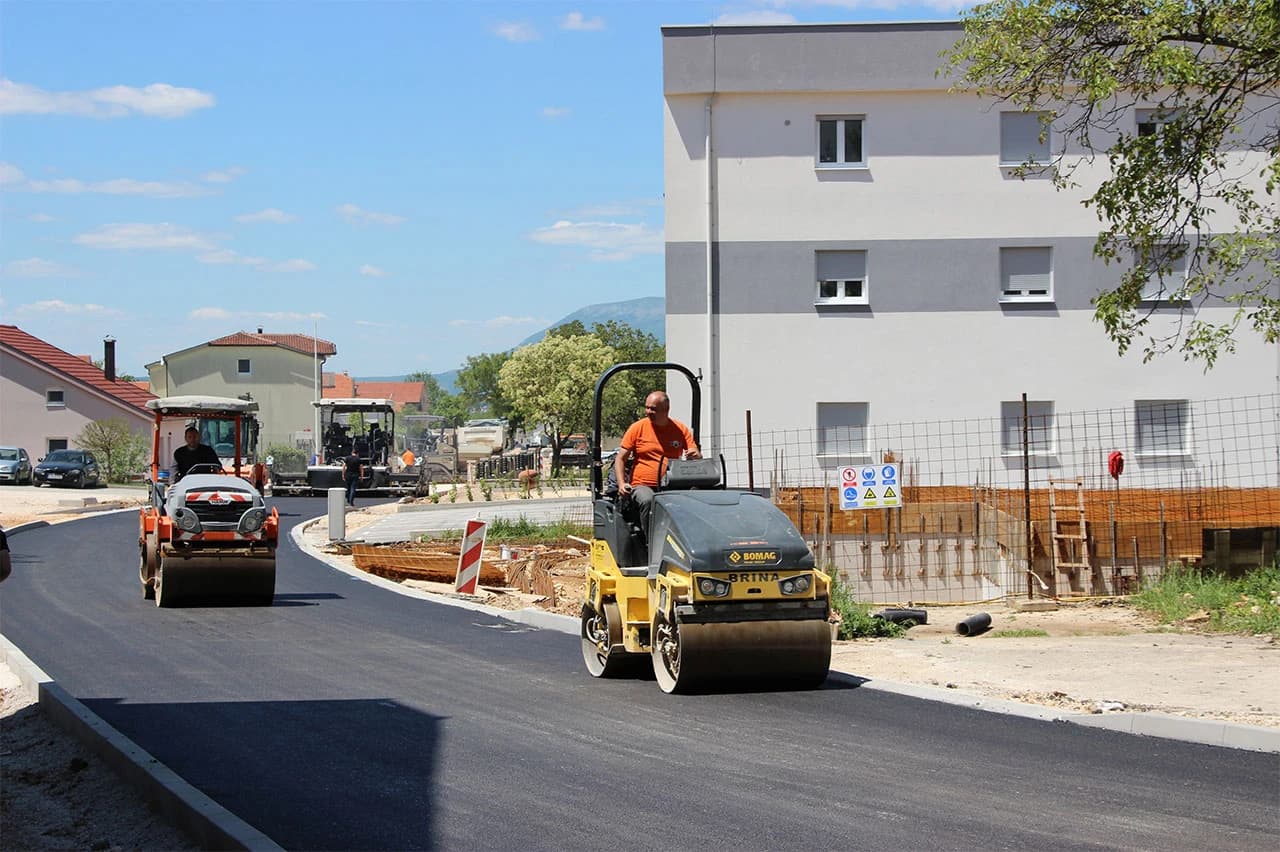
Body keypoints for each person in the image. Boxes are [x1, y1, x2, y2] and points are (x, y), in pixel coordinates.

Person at [612, 390, 701, 537]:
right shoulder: (637, 428)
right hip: (643, 485)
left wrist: (696, 455)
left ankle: (688, 540)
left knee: (692, 499)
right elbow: (620, 458)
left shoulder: (680, 429)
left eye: (653, 409)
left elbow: (695, 454)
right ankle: (651, 545)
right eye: (647, 407)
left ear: (666, 410)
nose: (648, 412)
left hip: (672, 484)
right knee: (648, 500)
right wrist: (622, 484)